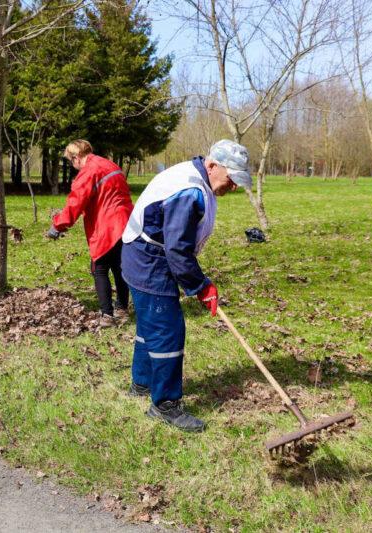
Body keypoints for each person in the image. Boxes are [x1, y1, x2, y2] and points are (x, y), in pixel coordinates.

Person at [120, 140, 252, 432]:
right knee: (167, 330)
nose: (234, 187)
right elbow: (177, 249)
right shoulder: (189, 191)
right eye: (232, 179)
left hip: (142, 253)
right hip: (149, 260)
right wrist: (201, 286)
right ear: (213, 165)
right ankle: (165, 405)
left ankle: (142, 383)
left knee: (150, 326)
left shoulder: (198, 177)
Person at [47, 140, 134, 326]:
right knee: (120, 268)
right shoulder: (110, 164)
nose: (73, 166)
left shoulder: (88, 171)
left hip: (106, 226)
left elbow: (76, 202)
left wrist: (58, 225)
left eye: (71, 162)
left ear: (76, 157)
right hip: (126, 222)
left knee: (99, 268)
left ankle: (107, 315)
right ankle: (122, 309)